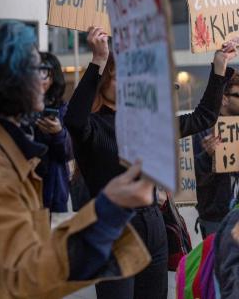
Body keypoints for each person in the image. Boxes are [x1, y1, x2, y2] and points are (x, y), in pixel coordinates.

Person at [0, 21, 154, 299]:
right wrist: (107, 209)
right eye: (36, 69)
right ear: (4, 81)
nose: (44, 79)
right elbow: (27, 273)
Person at [64, 26, 236, 299]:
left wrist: (219, 67)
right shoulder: (92, 126)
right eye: (118, 77)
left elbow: (203, 117)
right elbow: (73, 119)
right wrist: (99, 60)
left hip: (152, 226)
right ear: (103, 81)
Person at [193, 72, 239, 238]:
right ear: (224, 99)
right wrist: (208, 155)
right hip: (216, 220)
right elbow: (193, 179)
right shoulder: (202, 130)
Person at [30, 52, 73, 213]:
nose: (39, 79)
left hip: (53, 191)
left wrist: (58, 133)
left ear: (53, 77)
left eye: (44, 73)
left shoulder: (61, 109)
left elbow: (68, 152)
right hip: (25, 186)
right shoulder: (20, 106)